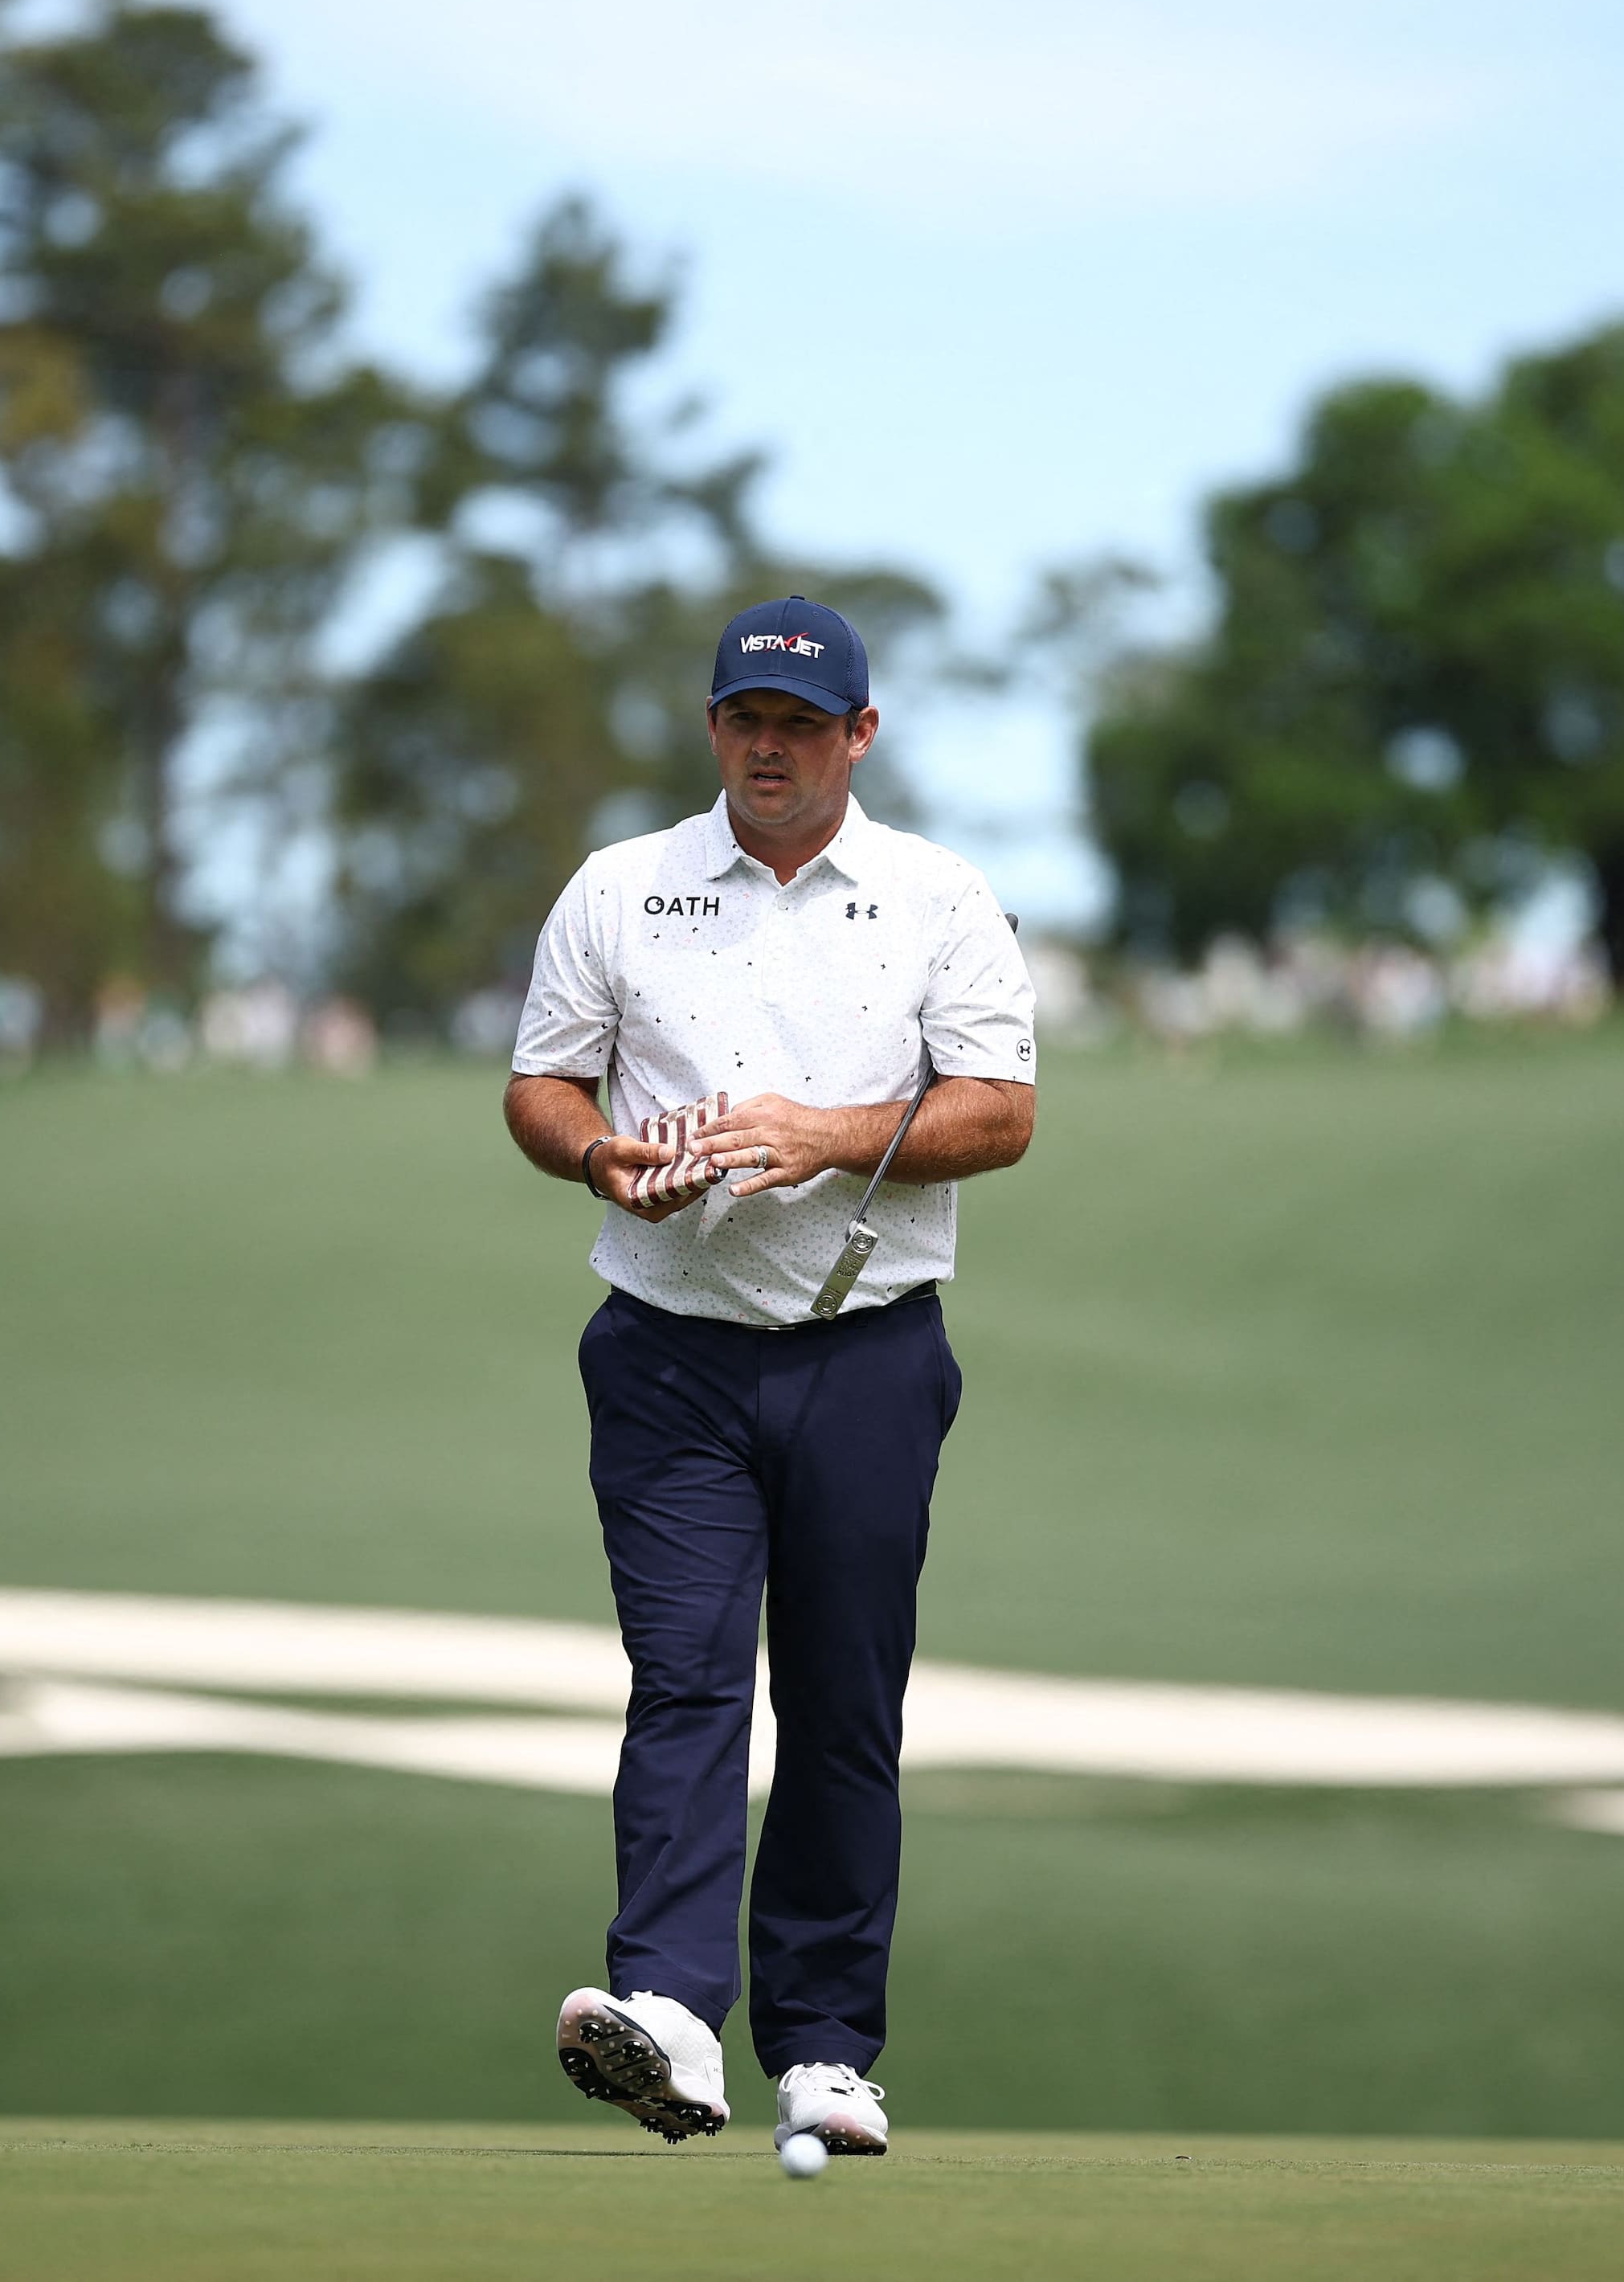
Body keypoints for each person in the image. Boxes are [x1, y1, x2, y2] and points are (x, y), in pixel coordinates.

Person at [503, 595, 1037, 2165]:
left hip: (867, 1346)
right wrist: (602, 1156)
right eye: (745, 717)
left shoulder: (938, 897)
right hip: (667, 1350)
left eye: (800, 725)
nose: (767, 745)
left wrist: (826, 1129)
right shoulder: (623, 887)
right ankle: (666, 2008)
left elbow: (999, 1112)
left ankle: (823, 2046)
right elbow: (544, 1080)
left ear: (857, 737)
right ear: (713, 724)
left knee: (841, 1701)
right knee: (683, 1676)